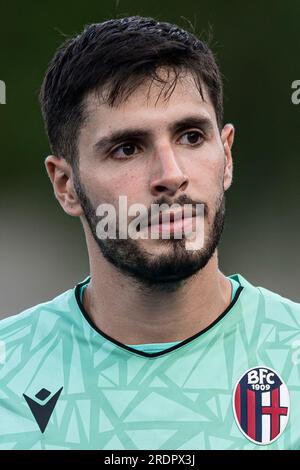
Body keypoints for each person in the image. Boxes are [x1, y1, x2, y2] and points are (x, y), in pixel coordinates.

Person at [0, 15, 299, 450]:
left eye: (192, 137)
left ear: (227, 156)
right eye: (127, 148)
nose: (170, 175)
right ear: (66, 186)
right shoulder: (9, 372)